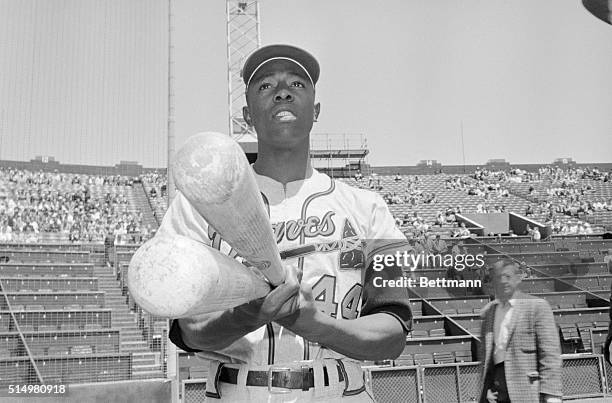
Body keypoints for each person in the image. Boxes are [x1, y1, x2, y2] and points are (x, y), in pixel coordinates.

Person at [163, 44, 412, 401]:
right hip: (237, 390)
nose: (282, 91)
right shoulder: (198, 204)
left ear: (316, 110)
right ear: (247, 116)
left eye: (297, 84)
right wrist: (245, 317)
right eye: (265, 85)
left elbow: (392, 334)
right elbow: (188, 330)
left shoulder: (368, 208)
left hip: (340, 390)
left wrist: (317, 326)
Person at [478, 259, 561, 403]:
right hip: (496, 391)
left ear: (517, 279)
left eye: (508, 276)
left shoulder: (537, 307)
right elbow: (487, 358)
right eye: (498, 277)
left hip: (526, 390)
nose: (503, 281)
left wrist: (551, 394)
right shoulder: (488, 312)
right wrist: (485, 390)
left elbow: (549, 354)